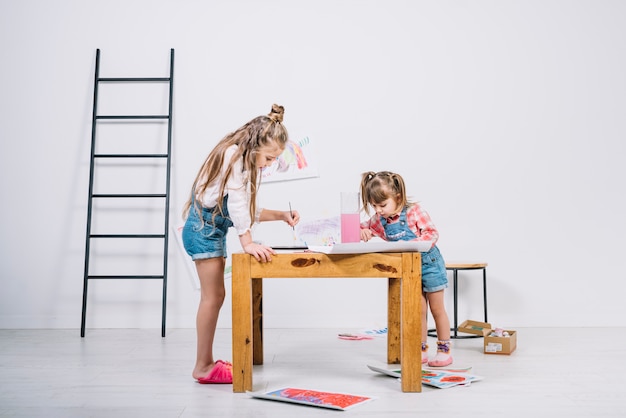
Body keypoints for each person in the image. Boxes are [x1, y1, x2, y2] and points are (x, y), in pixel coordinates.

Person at [182, 104, 300, 384]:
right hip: (203, 230)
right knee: (213, 298)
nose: (269, 164)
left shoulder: (243, 159)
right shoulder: (233, 156)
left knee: (216, 297)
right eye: (269, 158)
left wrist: (281, 216)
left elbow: (245, 210)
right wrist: (246, 242)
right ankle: (202, 366)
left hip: (212, 229)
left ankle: (206, 362)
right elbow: (236, 206)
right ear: (256, 146)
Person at [359, 171, 452, 367]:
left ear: (398, 197)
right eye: (374, 206)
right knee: (417, 311)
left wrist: (409, 245)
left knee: (437, 309)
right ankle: (420, 350)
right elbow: (359, 226)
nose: (378, 210)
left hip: (430, 264)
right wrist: (363, 231)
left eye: (382, 205)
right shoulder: (379, 219)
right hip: (408, 269)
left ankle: (445, 351)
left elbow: (432, 233)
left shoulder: (414, 212)